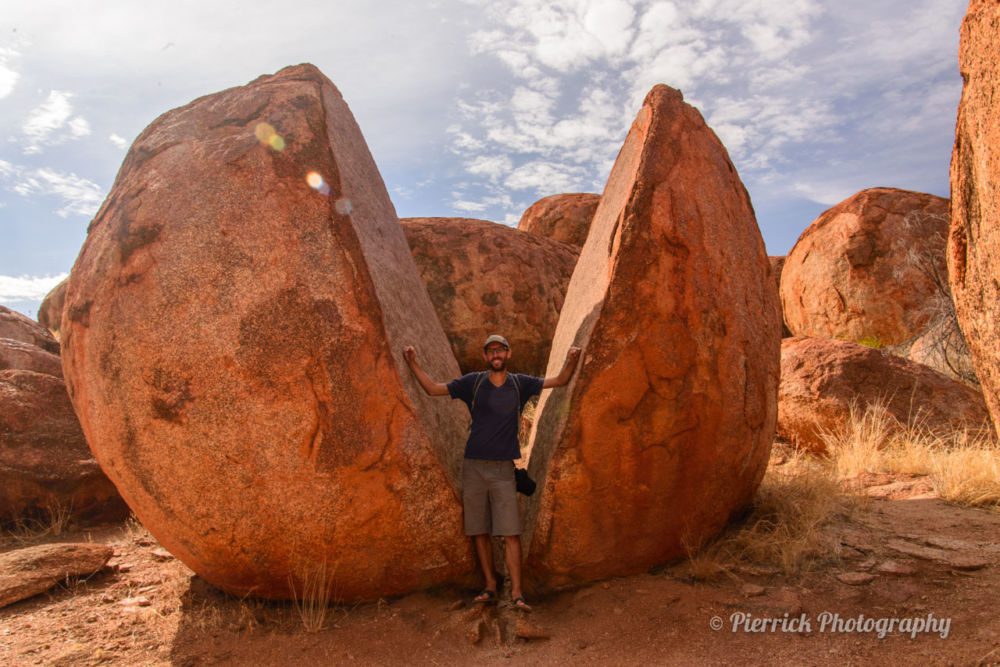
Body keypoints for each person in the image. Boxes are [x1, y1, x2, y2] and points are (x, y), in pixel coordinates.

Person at [403, 334, 582, 612]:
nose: (495, 355)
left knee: (510, 532)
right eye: (491, 351)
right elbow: (433, 389)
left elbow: (559, 381)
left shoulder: (519, 383)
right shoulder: (472, 382)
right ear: (486, 357)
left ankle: (518, 594)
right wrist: (412, 363)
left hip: (502, 470)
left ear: (508, 354)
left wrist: (572, 359)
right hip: (473, 466)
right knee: (478, 530)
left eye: (500, 350)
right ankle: (490, 586)